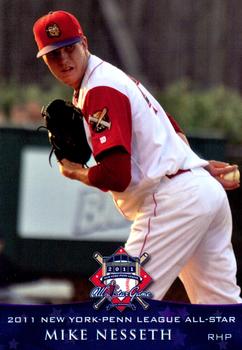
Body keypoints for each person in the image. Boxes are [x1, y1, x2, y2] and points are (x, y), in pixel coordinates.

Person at [33, 10, 241, 304]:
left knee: (116, 306)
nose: (65, 60)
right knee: (222, 316)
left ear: (85, 44)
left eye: (70, 49)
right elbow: (171, 129)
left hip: (171, 203)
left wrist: (76, 172)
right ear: (44, 59)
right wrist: (200, 167)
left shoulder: (99, 89)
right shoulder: (112, 77)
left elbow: (118, 174)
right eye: (55, 55)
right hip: (203, 193)